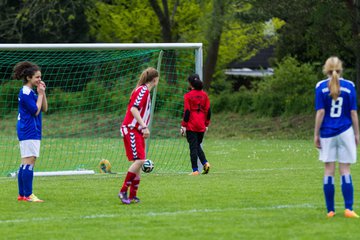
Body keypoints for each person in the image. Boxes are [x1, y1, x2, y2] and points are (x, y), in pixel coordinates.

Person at [314, 56, 359, 218]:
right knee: (345, 169)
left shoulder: (320, 87)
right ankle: (348, 209)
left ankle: (330, 211)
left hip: (327, 133)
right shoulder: (349, 86)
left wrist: (316, 134)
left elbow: (320, 112)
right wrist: (357, 133)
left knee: (329, 171)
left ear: (325, 69)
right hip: (345, 131)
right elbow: (353, 112)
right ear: (341, 69)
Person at [118, 67, 159, 204]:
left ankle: (132, 195)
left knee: (140, 160)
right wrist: (144, 126)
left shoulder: (144, 91)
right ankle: (123, 191)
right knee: (140, 161)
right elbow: (134, 108)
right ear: (155, 79)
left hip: (137, 130)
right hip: (131, 128)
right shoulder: (143, 90)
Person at [13, 61, 48, 202]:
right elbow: (35, 111)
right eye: (37, 77)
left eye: (40, 77)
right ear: (28, 78)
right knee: (30, 160)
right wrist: (39, 95)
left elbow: (44, 108)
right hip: (28, 129)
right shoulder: (26, 92)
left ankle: (22, 195)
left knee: (25, 161)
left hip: (29, 129)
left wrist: (42, 93)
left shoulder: (31, 92)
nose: (39, 80)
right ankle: (28, 194)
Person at [180, 74, 211, 176]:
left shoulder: (188, 96)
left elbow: (187, 111)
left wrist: (184, 125)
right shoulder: (205, 95)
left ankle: (195, 170)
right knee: (197, 145)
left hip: (191, 125)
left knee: (193, 147)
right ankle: (205, 163)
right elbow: (208, 111)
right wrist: (206, 124)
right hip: (201, 124)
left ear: (190, 83)